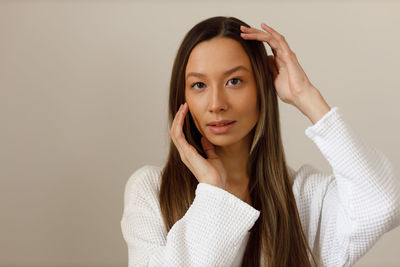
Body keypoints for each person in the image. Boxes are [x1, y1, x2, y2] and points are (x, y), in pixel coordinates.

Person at [120, 16, 400, 267]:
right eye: (199, 85)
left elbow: (383, 203)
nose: (216, 104)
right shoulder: (150, 190)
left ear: (262, 87)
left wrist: (306, 97)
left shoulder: (303, 197)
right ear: (183, 98)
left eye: (234, 81)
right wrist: (213, 192)